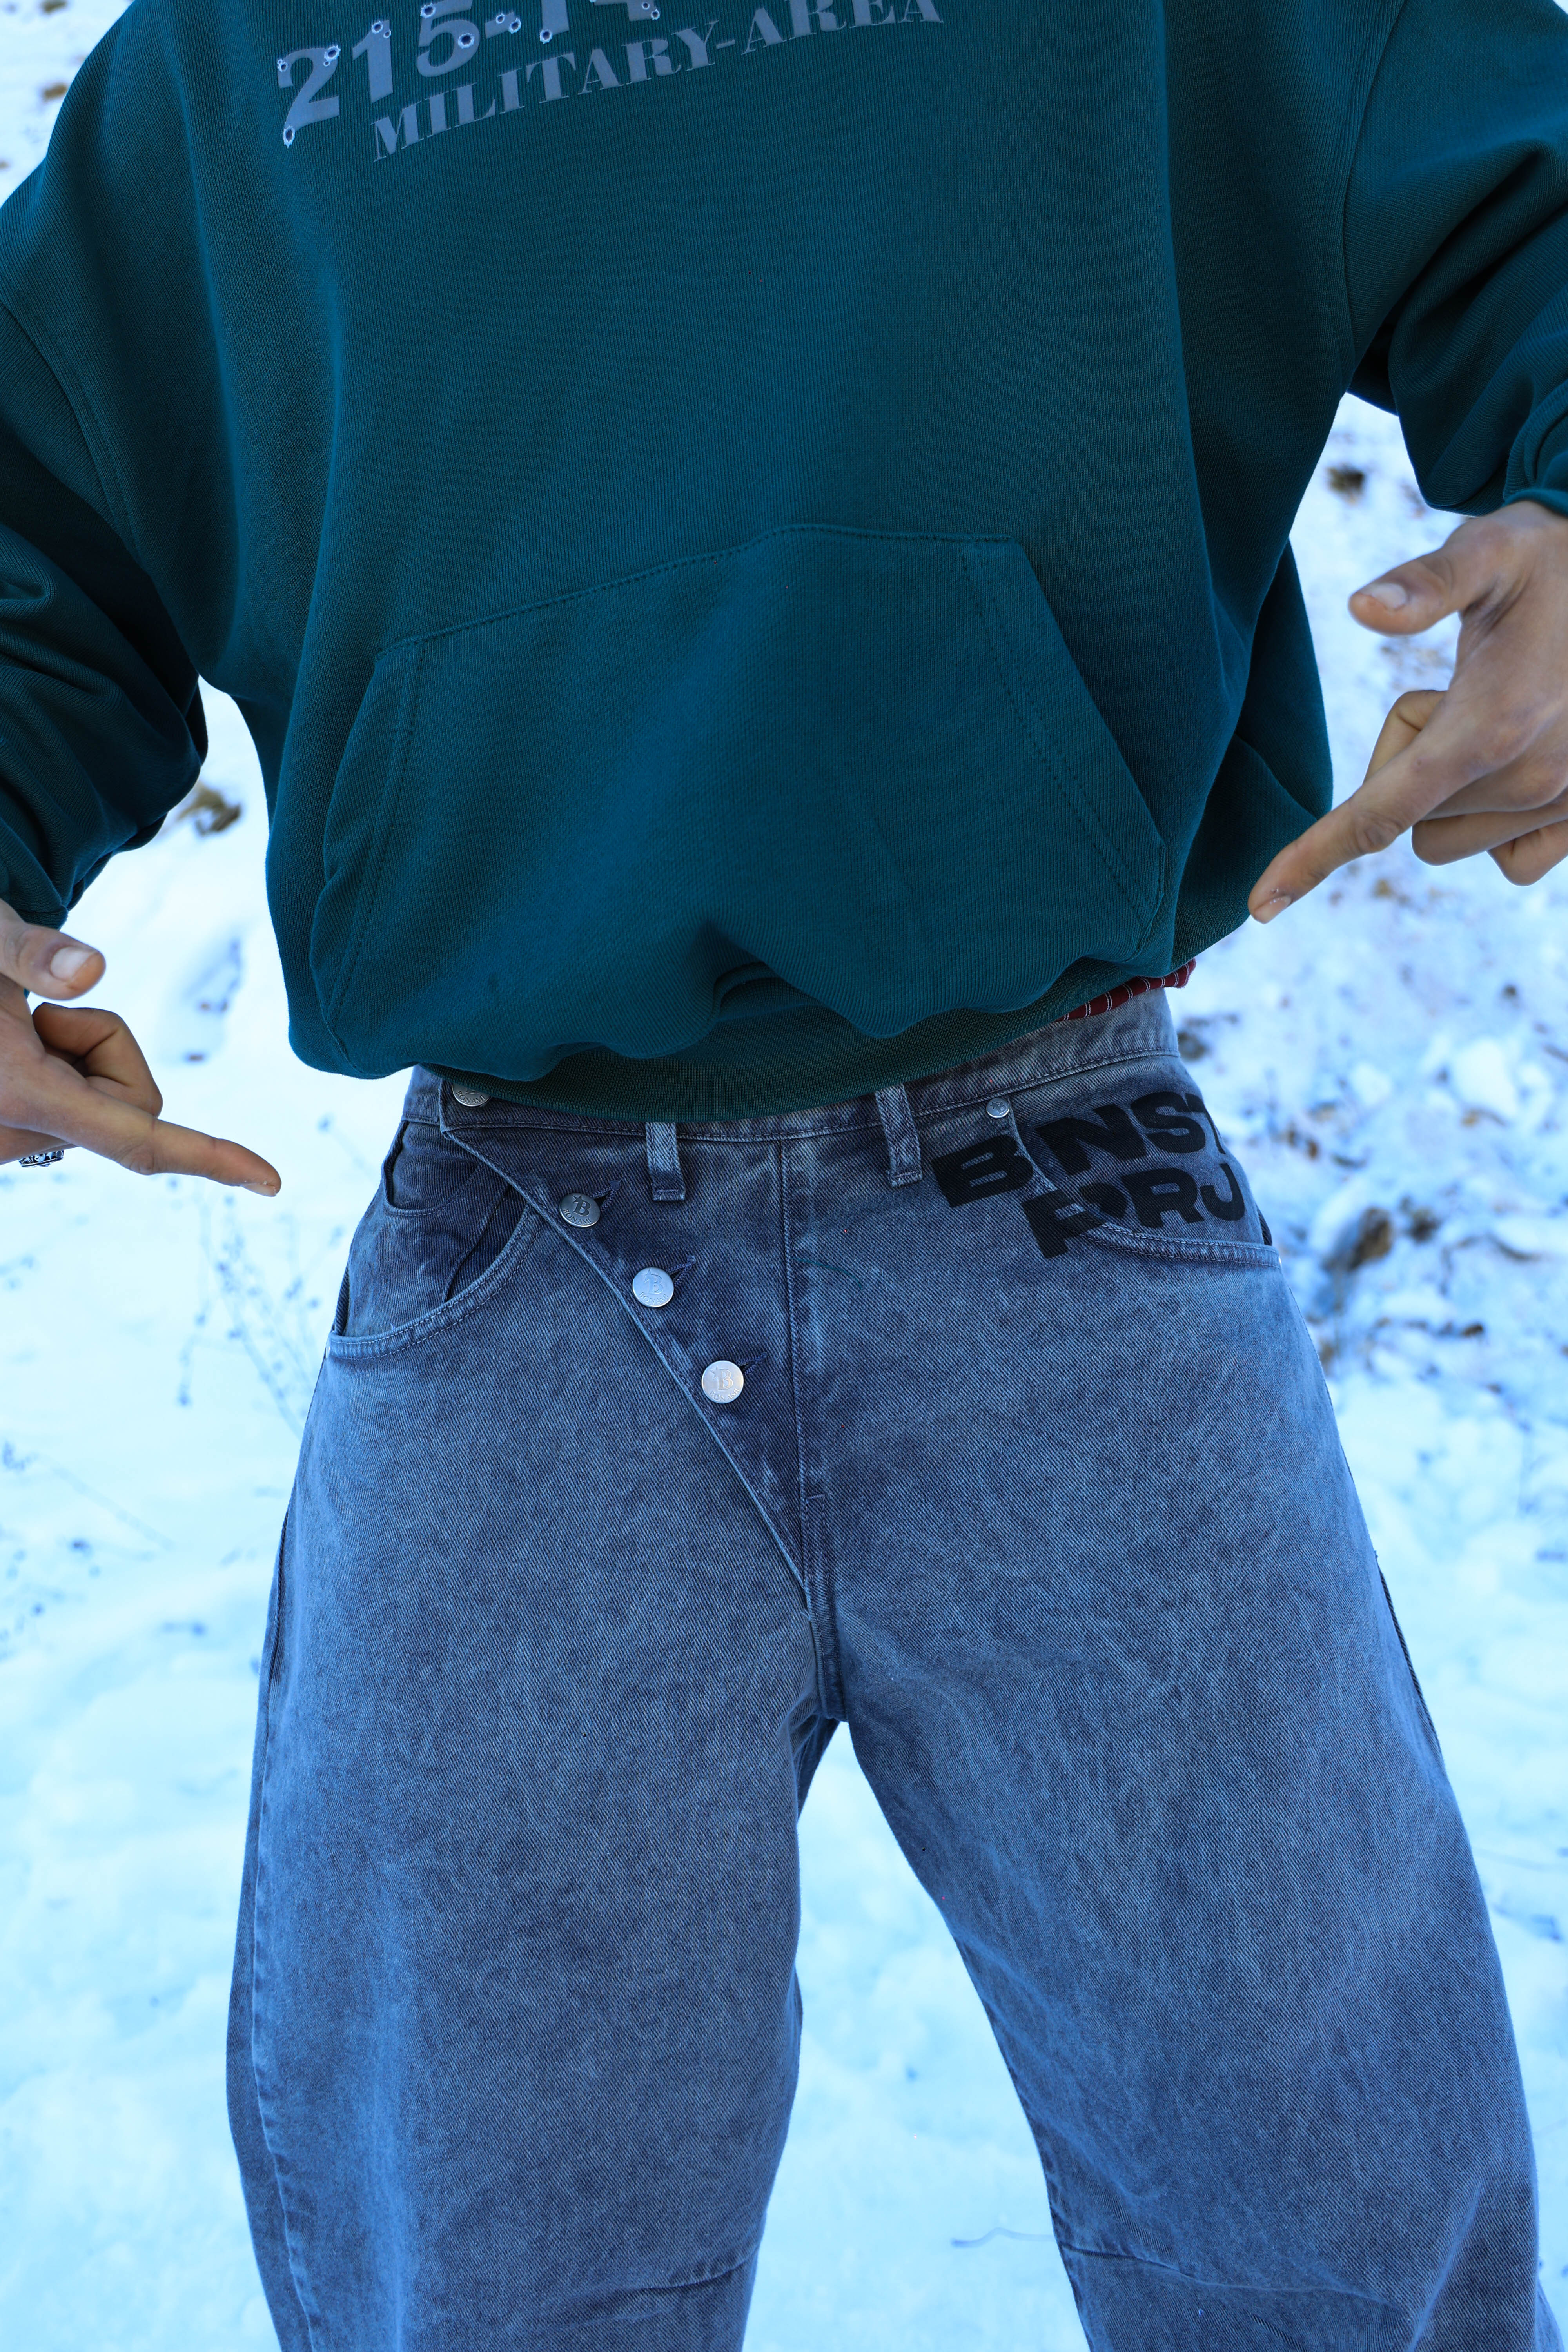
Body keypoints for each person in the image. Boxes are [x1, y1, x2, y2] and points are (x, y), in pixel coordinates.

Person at [3, 0, 1567, 2343]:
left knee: (1342, 2245)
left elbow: (1520, 173)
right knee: (472, 2272)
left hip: (1066, 1191)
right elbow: (44, 517)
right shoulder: (222, 67)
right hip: (515, 1253)